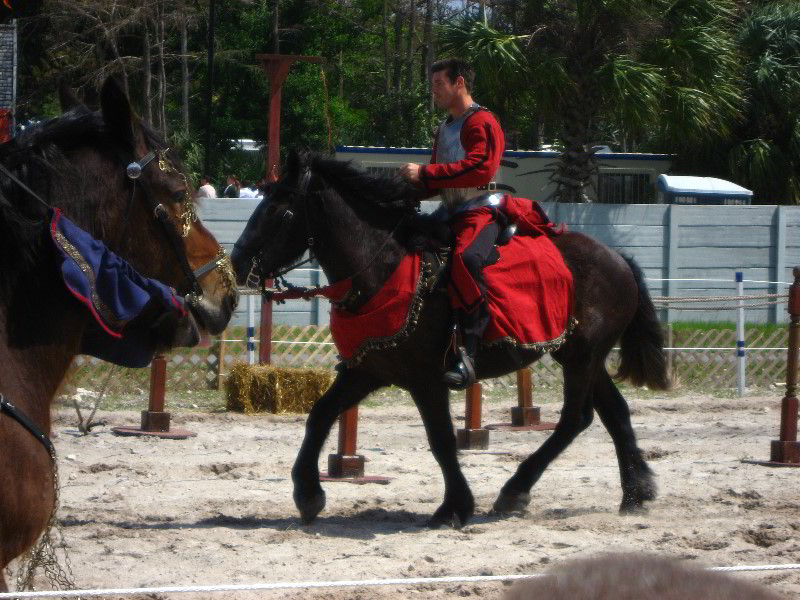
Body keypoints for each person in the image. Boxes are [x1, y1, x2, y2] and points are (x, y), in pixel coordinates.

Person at [400, 58, 505, 390]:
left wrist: (426, 173)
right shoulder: (445, 128)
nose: (434, 92)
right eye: (432, 86)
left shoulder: (482, 121)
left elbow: (480, 169)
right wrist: (405, 187)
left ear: (459, 83)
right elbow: (435, 184)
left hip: (480, 209)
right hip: (450, 211)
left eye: (438, 85)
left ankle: (471, 351)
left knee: (467, 259)